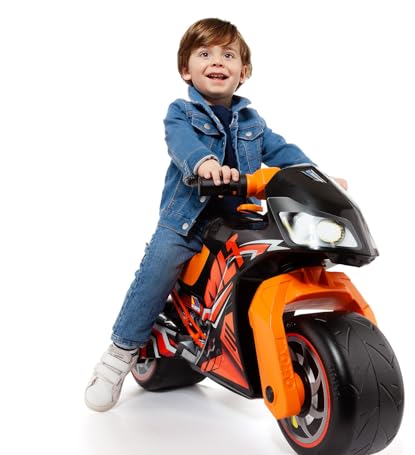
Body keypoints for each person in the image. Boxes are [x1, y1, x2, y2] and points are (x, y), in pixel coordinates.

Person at [85, 18, 346, 411]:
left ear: (244, 71)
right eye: (204, 53)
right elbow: (181, 143)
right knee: (159, 265)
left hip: (240, 220)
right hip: (187, 223)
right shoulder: (181, 113)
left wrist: (316, 179)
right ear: (185, 70)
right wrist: (204, 164)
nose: (217, 61)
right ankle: (119, 354)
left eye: (228, 55)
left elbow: (285, 153)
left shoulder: (253, 123)